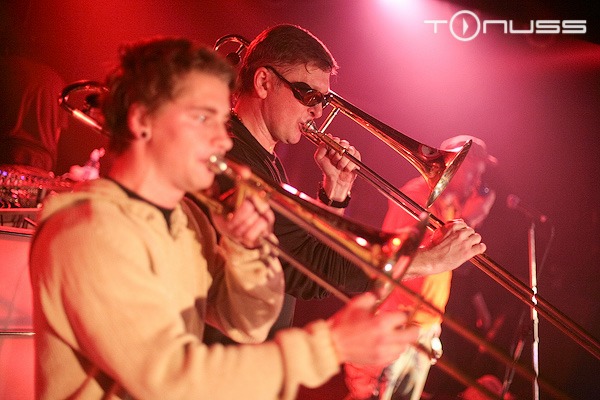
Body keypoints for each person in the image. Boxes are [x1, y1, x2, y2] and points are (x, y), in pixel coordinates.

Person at [29, 37, 424, 400]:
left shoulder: (188, 223)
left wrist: (246, 252)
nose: (222, 140)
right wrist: (331, 346)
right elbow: (169, 380)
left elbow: (247, 325)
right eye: (204, 119)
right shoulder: (89, 229)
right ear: (141, 120)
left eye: (222, 121)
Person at [204, 24, 487, 345]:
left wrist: (333, 197)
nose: (317, 110)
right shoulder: (232, 157)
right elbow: (306, 273)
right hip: (227, 354)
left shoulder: (264, 159)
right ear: (264, 82)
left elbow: (302, 250)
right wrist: (430, 259)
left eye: (323, 100)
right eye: (308, 95)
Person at [344, 135, 498, 400]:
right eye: (473, 172)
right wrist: (467, 219)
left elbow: (450, 260)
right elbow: (404, 255)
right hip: (398, 319)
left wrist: (469, 219)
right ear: (454, 164)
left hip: (425, 328)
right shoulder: (417, 195)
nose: (477, 182)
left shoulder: (450, 206)